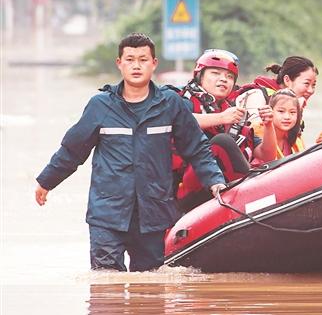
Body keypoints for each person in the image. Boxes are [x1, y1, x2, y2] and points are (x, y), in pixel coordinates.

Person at [34, 33, 226, 272]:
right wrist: (46, 181)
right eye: (130, 59)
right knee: (106, 286)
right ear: (119, 63)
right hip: (108, 214)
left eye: (143, 59)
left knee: (150, 290)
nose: (136, 65)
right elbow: (73, 150)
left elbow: (196, 148)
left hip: (153, 213)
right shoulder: (100, 105)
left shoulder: (170, 104)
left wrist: (216, 181)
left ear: (154, 63)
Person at [174, 49, 276, 210]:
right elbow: (175, 121)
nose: (223, 79)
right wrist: (221, 117)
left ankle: (256, 196)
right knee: (223, 141)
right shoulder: (181, 101)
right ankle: (254, 195)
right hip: (184, 189)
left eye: (229, 76)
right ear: (200, 76)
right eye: (215, 73)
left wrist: (269, 125)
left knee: (227, 141)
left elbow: (267, 155)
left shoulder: (234, 111)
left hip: (222, 187)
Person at [268, 89, 305, 159]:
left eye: (292, 112)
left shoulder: (296, 140)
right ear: (270, 110)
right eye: (281, 111)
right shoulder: (259, 136)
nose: (287, 117)